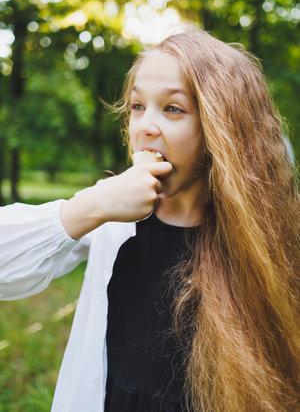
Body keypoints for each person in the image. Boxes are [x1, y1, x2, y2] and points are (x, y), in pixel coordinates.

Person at [0, 29, 299, 412]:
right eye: (138, 106)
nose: (143, 127)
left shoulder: (267, 238)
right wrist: (93, 204)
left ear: (223, 127)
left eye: (173, 109)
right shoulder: (111, 220)